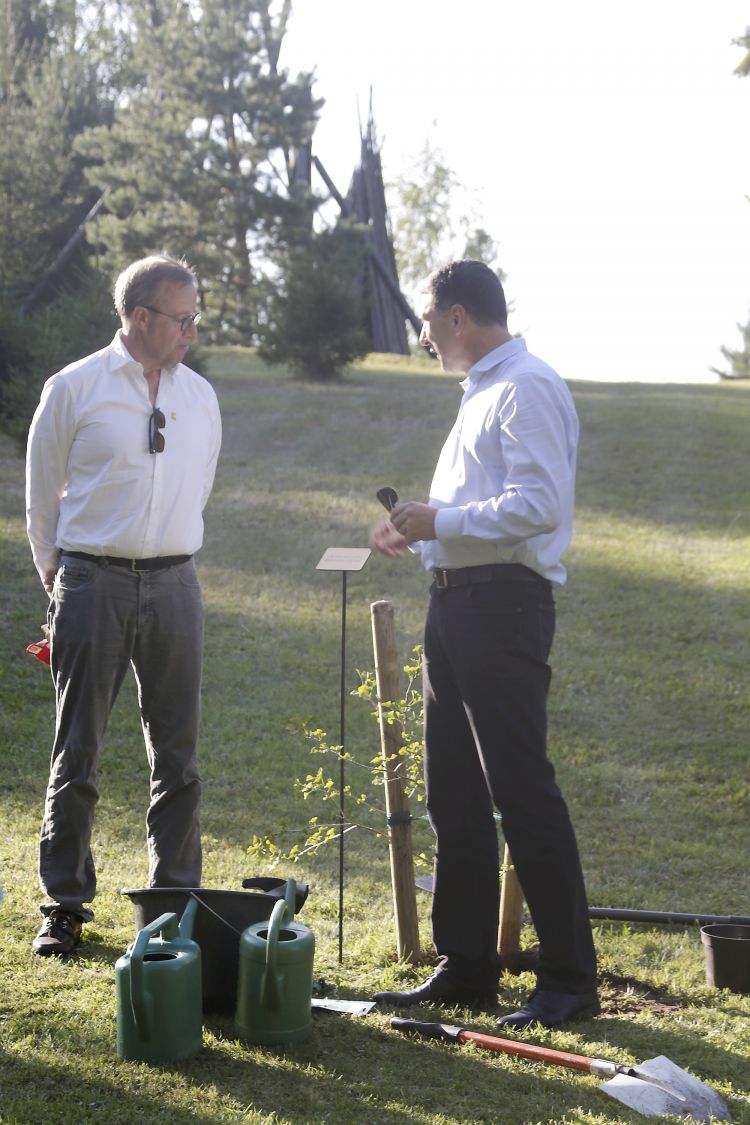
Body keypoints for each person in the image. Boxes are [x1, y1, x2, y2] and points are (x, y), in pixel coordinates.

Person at [369, 259, 598, 1029]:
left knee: (521, 790)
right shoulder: (483, 391)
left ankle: (569, 980)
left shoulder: (527, 385)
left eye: (428, 323)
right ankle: (466, 966)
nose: (424, 338)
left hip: (504, 606)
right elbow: (481, 507)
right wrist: (420, 530)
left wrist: (442, 521)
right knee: (455, 792)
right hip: (457, 604)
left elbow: (537, 505)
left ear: (459, 316)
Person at [25, 254, 222, 956]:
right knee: (76, 748)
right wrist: (58, 575)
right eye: (181, 318)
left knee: (178, 755)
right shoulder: (74, 388)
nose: (191, 330)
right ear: (140, 317)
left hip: (175, 584)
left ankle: (173, 905)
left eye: (195, 317)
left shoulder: (199, 397)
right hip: (92, 581)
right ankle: (64, 905)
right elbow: (41, 493)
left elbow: (199, 485)